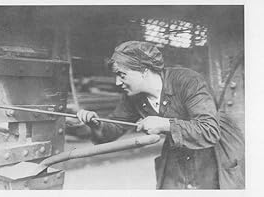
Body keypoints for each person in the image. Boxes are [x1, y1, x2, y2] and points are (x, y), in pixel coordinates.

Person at [76, 41, 244, 189]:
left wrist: (165, 124)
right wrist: (96, 123)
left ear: (144, 71)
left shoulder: (188, 81)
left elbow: (209, 131)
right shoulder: (132, 96)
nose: (117, 82)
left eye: (122, 75)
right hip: (177, 150)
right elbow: (112, 130)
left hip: (215, 148)